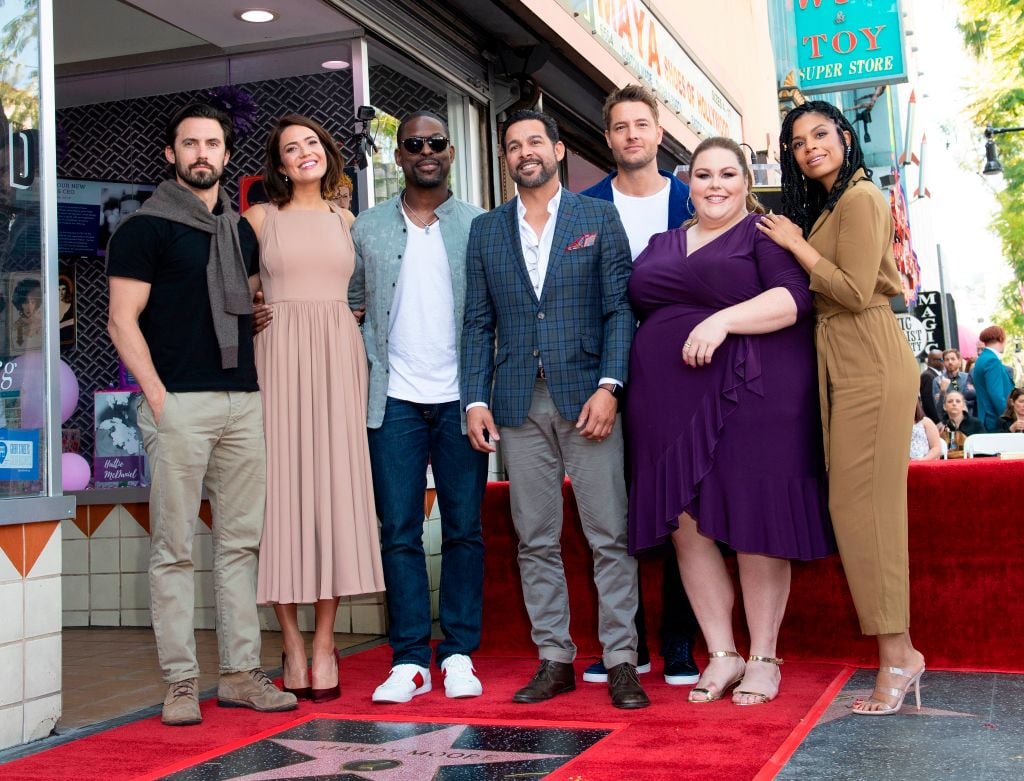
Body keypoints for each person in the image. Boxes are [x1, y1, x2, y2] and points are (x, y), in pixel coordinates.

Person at [106, 101, 297, 726]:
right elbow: (121, 320)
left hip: (244, 400)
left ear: (224, 154)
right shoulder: (145, 228)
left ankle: (240, 674)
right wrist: (158, 398)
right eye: (189, 144)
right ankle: (181, 682)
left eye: (211, 144)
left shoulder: (237, 230)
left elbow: (235, 304)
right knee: (174, 549)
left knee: (241, 545)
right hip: (178, 404)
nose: (201, 154)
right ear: (171, 155)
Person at [628, 137, 832, 706]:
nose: (714, 184)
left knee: (755, 520)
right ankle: (722, 653)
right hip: (667, 405)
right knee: (687, 524)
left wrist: (720, 322)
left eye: (727, 174)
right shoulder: (660, 242)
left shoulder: (761, 234)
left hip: (751, 396)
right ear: (686, 183)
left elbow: (796, 300)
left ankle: (764, 656)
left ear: (746, 182)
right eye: (702, 174)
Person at [461, 109, 648, 709]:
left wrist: (610, 386)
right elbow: (477, 322)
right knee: (534, 538)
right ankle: (555, 659)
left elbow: (620, 308)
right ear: (505, 159)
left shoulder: (597, 216)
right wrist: (476, 399)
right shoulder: (487, 230)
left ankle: (621, 660)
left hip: (587, 397)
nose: (524, 152)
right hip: (517, 402)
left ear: (559, 149)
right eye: (512, 146)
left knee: (609, 534)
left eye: (534, 141)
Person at [758, 100, 925, 716]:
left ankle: (899, 653)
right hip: (840, 357)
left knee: (865, 510)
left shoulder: (861, 197)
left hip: (869, 352)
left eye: (820, 134)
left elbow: (854, 290)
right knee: (854, 507)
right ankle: (897, 649)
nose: (810, 148)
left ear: (846, 137)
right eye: (798, 142)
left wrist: (798, 246)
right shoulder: (832, 202)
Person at [244, 114, 385, 704]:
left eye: (311, 144)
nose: (304, 153)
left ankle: (325, 641)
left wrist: (347, 316)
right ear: (278, 164)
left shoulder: (347, 219)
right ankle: (292, 642)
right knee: (280, 494)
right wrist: (250, 306)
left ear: (326, 154)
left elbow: (366, 290)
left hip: (336, 355)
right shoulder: (259, 218)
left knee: (331, 491)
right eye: (290, 148)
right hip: (276, 354)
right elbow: (234, 289)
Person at [348, 111, 489, 704]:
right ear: (398, 156)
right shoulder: (367, 227)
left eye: (435, 142)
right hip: (394, 399)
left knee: (463, 529)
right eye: (413, 144)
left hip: (461, 399)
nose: (425, 150)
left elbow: (493, 312)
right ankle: (408, 658)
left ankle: (458, 652)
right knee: (399, 530)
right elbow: (350, 304)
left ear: (451, 152)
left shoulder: (481, 226)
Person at [578, 83, 700, 688]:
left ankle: (680, 641)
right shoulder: (585, 205)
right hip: (609, 373)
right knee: (614, 511)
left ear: (658, 133)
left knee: (682, 504)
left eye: (641, 124)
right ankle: (628, 646)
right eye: (620, 126)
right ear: (608, 139)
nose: (631, 135)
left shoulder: (694, 198)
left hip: (685, 368)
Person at [973, 325, 1015, 432]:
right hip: (995, 419)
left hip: (987, 416)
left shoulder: (982, 359)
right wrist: (1009, 418)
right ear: (1001, 339)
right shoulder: (992, 360)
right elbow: (996, 394)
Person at [937, 390, 984, 458]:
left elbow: (983, 449)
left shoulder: (976, 424)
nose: (954, 404)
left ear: (963, 406)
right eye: (950, 401)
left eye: (958, 401)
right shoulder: (939, 426)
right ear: (944, 407)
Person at [932, 348, 975, 417]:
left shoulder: (967, 377)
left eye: (953, 359)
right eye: (947, 360)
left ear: (959, 361)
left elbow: (974, 400)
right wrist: (943, 392)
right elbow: (938, 406)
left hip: (969, 418)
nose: (950, 362)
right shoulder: (938, 380)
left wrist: (950, 401)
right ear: (943, 362)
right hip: (949, 421)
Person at [11, 277, 43, 351]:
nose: (29, 307)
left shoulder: (44, 321)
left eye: (33, 302)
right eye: (25, 302)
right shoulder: (18, 326)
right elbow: (20, 347)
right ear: (20, 303)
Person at [918, 349, 944, 423]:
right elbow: (929, 402)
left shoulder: (937, 374)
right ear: (933, 361)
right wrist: (938, 421)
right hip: (935, 421)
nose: (944, 362)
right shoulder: (928, 376)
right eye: (942, 359)